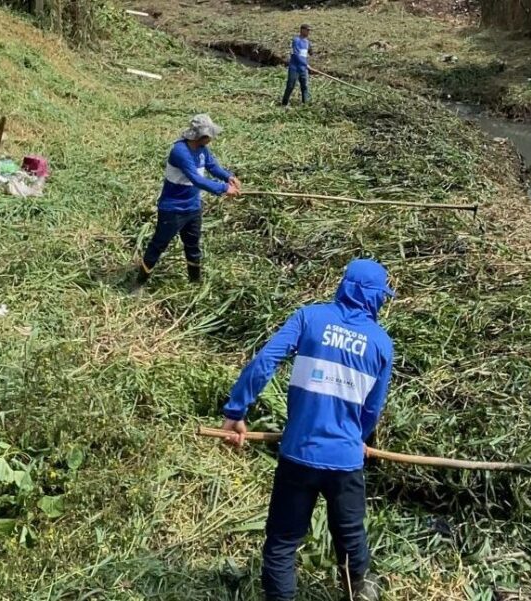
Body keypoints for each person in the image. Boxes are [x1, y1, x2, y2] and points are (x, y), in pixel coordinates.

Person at [220, 259, 395, 601]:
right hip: (345, 462)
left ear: (345, 286)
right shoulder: (380, 344)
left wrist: (236, 410)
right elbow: (372, 409)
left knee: (283, 543)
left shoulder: (309, 319)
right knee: (351, 540)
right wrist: (357, 438)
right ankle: (360, 590)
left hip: (298, 455)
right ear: (375, 298)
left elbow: (264, 363)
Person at [137, 114, 240, 285]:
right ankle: (139, 283)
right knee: (158, 245)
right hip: (173, 209)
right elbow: (197, 179)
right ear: (202, 136)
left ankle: (195, 282)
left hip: (193, 207)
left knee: (193, 246)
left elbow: (212, 166)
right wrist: (223, 189)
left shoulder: (201, 149)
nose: (211, 139)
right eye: (210, 136)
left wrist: (228, 177)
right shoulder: (180, 151)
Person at [282, 24, 312, 107]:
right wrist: (306, 64)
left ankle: (305, 104)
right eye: (307, 30)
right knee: (290, 86)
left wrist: (306, 63)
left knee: (304, 86)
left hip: (303, 69)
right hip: (294, 67)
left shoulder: (307, 42)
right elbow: (297, 55)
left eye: (309, 30)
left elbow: (308, 53)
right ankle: (284, 103)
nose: (309, 32)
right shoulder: (296, 40)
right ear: (302, 30)